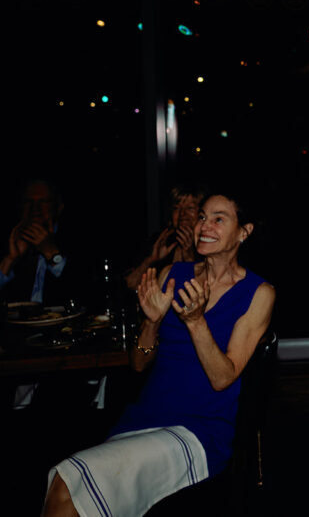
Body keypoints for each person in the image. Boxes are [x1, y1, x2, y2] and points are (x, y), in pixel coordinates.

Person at [41, 190, 275, 517]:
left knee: (68, 481)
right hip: (145, 417)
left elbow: (223, 378)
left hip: (200, 430)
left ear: (244, 232)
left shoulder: (259, 293)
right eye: (203, 217)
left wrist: (195, 322)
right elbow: (138, 363)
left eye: (219, 219)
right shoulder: (171, 275)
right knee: (65, 487)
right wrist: (151, 322)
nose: (204, 225)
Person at [123, 183, 207, 293]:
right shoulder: (160, 241)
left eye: (190, 208)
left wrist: (189, 259)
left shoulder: (208, 245)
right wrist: (150, 260)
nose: (182, 214)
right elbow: (129, 286)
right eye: (176, 208)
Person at [0, 179, 73, 306]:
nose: (35, 208)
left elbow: (87, 290)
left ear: (58, 207)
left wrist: (52, 254)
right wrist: (9, 260)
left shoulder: (76, 238)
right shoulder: (11, 238)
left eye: (43, 202)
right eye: (28, 202)